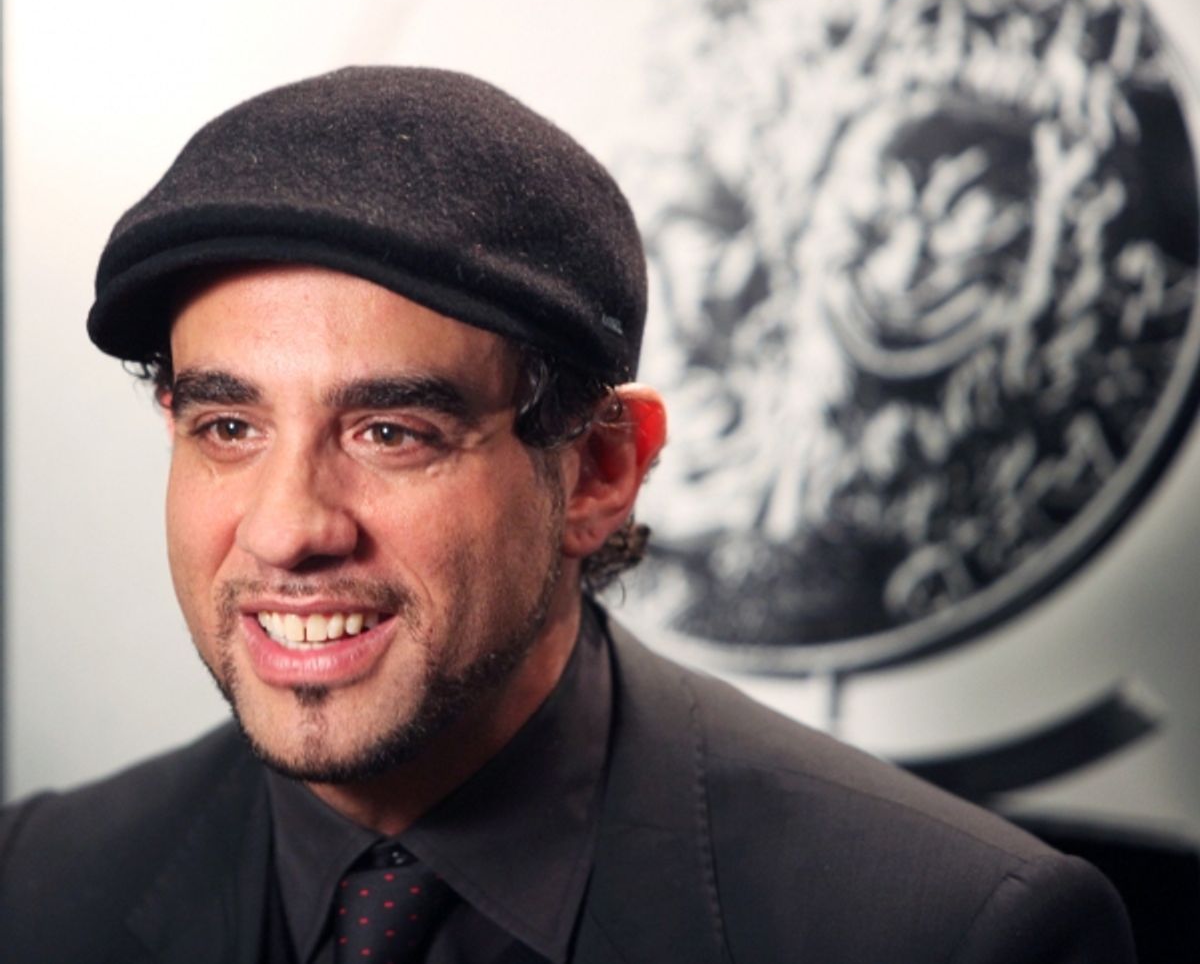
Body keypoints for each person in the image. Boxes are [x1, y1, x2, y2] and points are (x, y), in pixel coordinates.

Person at [0, 66, 1134, 963]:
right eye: (229, 428)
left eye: (391, 431)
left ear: (597, 471)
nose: (289, 528)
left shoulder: (953, 933)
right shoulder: (35, 884)